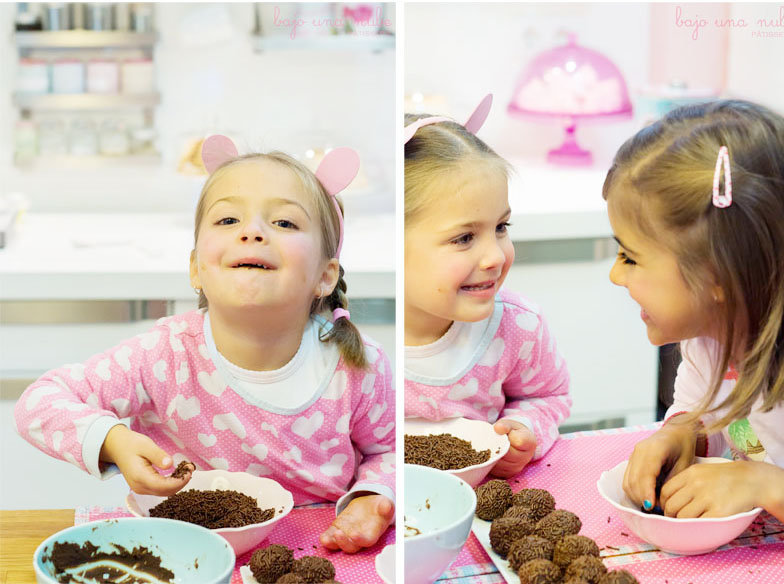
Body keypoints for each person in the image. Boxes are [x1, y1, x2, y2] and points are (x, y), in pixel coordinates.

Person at [14, 135, 396, 553]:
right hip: (184, 554)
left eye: (284, 223)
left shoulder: (358, 366)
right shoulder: (163, 356)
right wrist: (113, 441)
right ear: (196, 268)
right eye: (228, 220)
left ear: (325, 275)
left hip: (321, 556)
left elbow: (393, 452)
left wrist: (371, 498)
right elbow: (39, 402)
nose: (252, 232)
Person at [604, 100, 784, 535]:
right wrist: (681, 435)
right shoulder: (712, 335)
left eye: (630, 257)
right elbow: (706, 413)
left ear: (717, 276)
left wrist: (773, 487)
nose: (616, 275)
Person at [404, 95, 571, 477]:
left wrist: (525, 429)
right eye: (464, 238)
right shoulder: (360, 348)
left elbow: (548, 396)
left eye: (501, 228)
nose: (495, 256)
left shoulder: (518, 326)